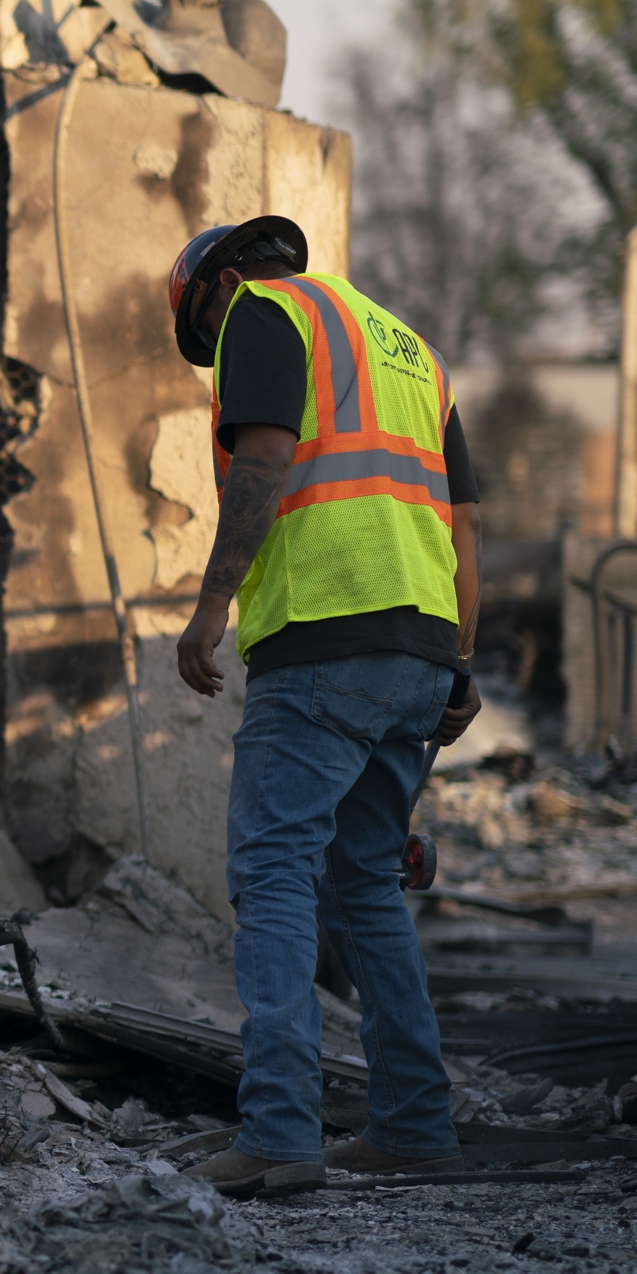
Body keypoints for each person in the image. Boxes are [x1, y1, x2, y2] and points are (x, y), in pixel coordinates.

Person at [161, 217, 483, 1195]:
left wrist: (211, 605)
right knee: (363, 887)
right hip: (417, 651)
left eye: (203, 339)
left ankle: (278, 1135)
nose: (216, 357)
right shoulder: (407, 348)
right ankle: (414, 1127)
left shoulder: (261, 312)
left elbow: (259, 460)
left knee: (272, 877)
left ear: (215, 286)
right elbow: (463, 521)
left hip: (323, 641)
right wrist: (458, 663)